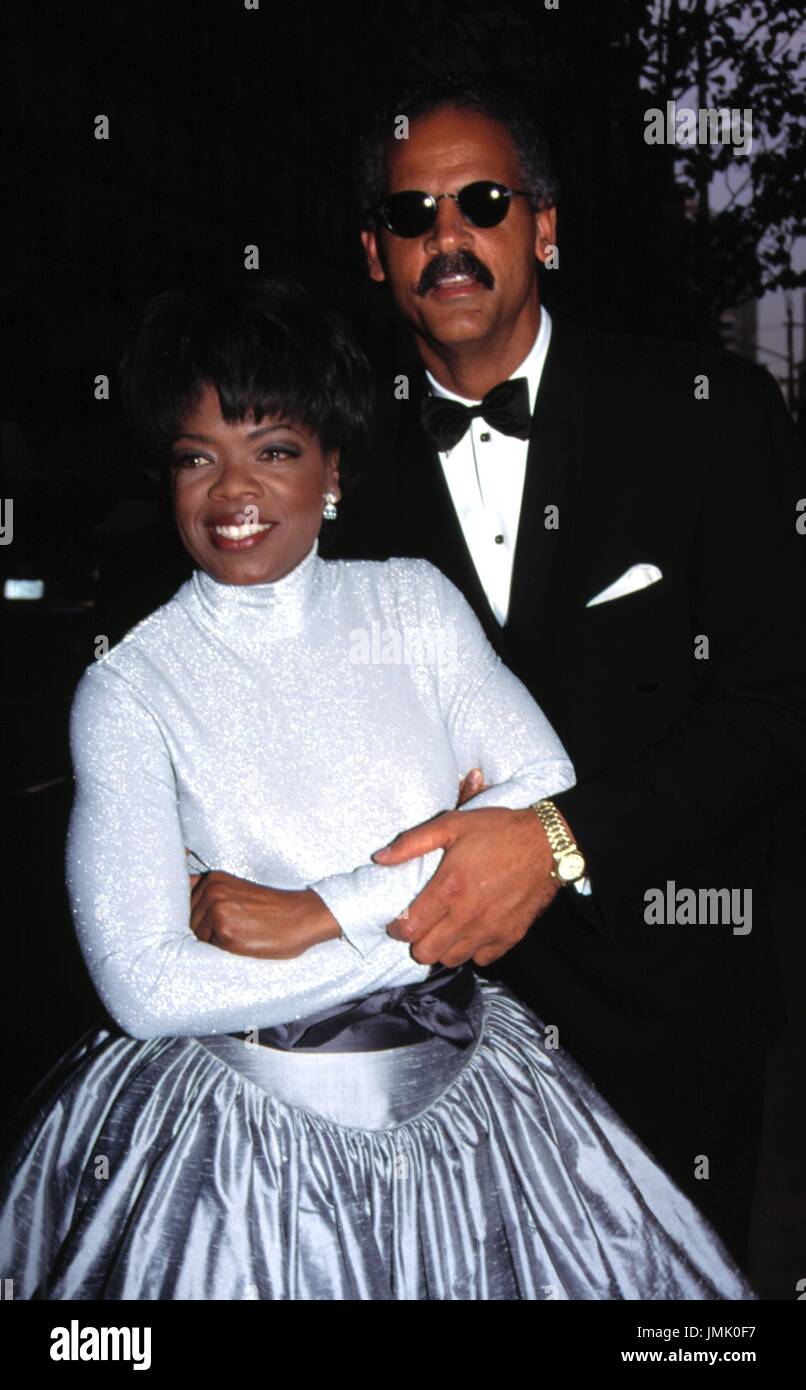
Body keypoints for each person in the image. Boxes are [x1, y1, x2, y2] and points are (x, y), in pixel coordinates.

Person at [0, 278, 755, 1300]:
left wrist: (319, 912)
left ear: (332, 470)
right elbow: (149, 988)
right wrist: (415, 922)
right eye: (196, 456)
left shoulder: (413, 604)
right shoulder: (129, 689)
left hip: (479, 1104)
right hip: (239, 1162)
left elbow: (544, 785)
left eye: (273, 450)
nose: (233, 492)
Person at [331, 76, 806, 1272]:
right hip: (420, 1045)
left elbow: (778, 701)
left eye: (480, 202)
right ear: (376, 256)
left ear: (542, 225)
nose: (445, 234)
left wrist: (551, 839)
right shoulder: (330, 474)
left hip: (663, 1035)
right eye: (410, 215)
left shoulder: (706, 414)